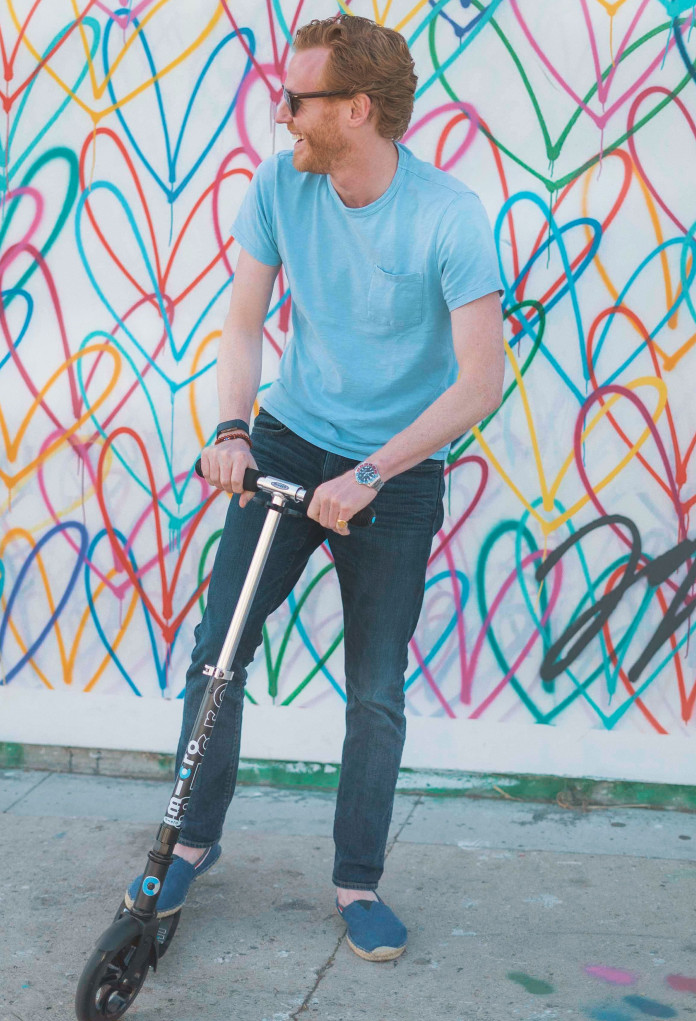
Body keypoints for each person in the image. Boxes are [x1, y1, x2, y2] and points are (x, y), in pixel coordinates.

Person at [126, 13, 504, 962]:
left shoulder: (450, 216)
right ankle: (191, 844)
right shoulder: (279, 186)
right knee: (218, 654)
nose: (281, 112)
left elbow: (479, 383)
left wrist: (372, 473)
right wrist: (232, 430)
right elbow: (243, 323)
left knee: (374, 692)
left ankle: (357, 881)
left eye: (298, 99)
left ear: (357, 109)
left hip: (397, 471)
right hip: (290, 442)